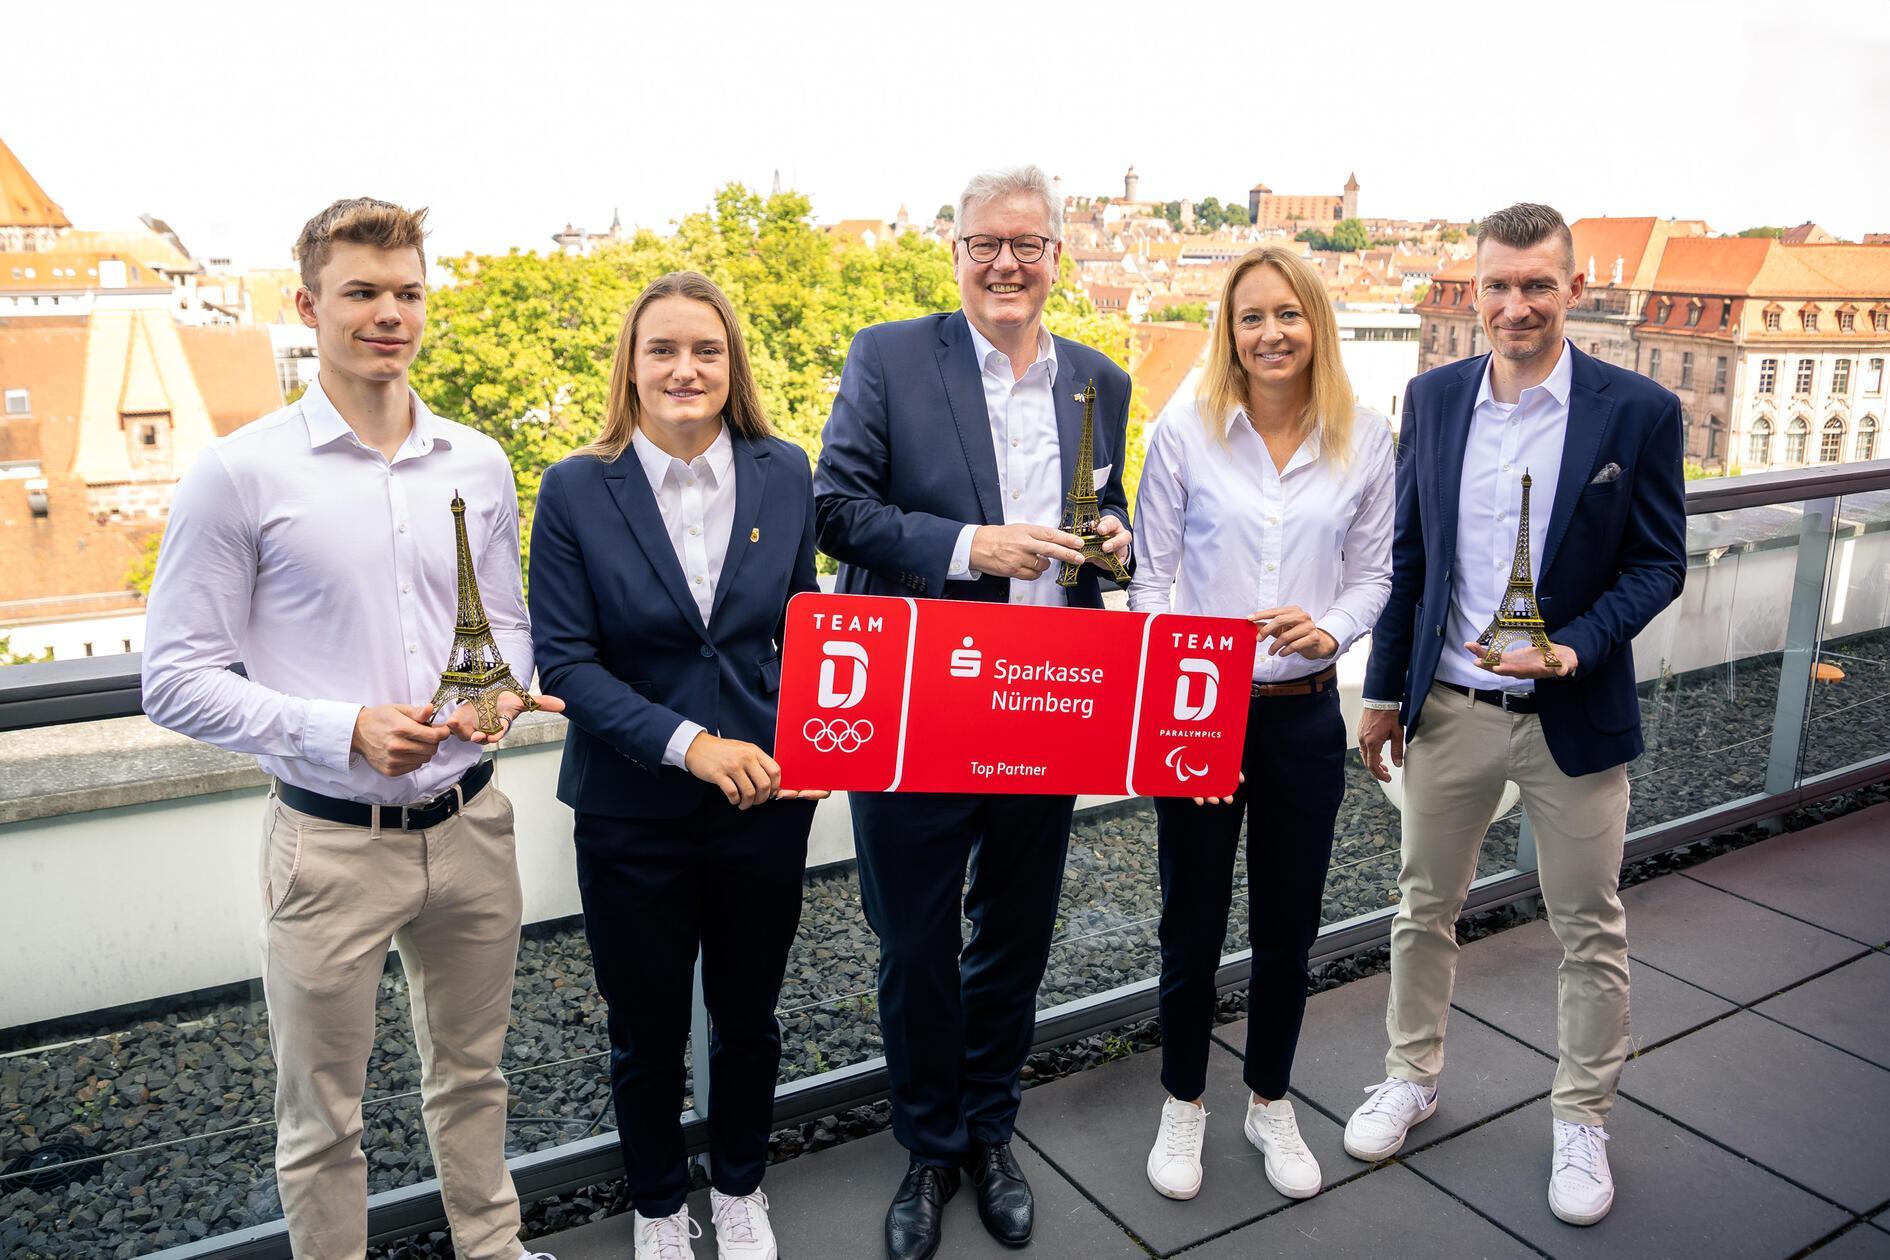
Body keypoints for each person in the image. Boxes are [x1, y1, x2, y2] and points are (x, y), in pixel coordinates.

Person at [141, 197, 561, 1260]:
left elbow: (505, 623)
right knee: (322, 1117)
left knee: (475, 1073)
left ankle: (493, 1248)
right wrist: (343, 729)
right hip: (328, 843)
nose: (389, 314)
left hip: (472, 826)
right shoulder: (239, 473)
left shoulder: (480, 461)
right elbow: (173, 680)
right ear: (308, 305)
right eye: (362, 292)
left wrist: (501, 693)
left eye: (407, 292)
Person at [813, 164, 1133, 1259]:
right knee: (913, 942)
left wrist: (1116, 543)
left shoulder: (1099, 378)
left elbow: (1107, 513)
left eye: (1028, 244)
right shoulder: (890, 356)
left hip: (1047, 699)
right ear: (953, 252)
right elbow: (835, 510)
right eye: (985, 243)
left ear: (1057, 257)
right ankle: (929, 1146)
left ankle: (993, 1128)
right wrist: (966, 548)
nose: (1007, 263)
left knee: (1015, 935)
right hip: (918, 702)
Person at [1350, 203, 1687, 1226]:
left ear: (1572, 289)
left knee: (1589, 926)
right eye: (1498, 284)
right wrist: (1380, 690)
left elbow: (1659, 561)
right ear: (1477, 289)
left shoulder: (1637, 412)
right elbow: (1412, 559)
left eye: (1536, 284)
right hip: (1448, 706)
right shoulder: (1435, 397)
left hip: (1572, 713)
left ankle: (1581, 1117)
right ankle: (1413, 1074)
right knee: (1422, 909)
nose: (1515, 305)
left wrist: (1576, 644)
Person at [530, 272, 826, 1260]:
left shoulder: (786, 472)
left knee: (749, 1019)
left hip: (764, 805)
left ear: (733, 362)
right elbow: (565, 662)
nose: (685, 368)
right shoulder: (576, 487)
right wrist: (690, 745)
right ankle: (659, 1206)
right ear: (632, 367)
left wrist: (818, 740)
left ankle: (739, 1187)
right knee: (646, 1032)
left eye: (706, 349)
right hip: (634, 810)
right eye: (663, 350)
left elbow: (805, 632)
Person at [1131, 246, 1393, 1203]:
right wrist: (1187, 663)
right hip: (1196, 718)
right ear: (1227, 331)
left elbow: (1375, 572)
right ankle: (1184, 1101)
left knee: (1289, 929)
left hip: (1302, 719)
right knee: (1189, 926)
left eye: (1288, 314)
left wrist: (1329, 631)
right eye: (1251, 317)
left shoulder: (1366, 434)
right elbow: (1149, 582)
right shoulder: (1185, 430)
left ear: (1315, 321)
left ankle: (1269, 1097)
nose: (1271, 333)